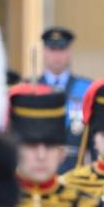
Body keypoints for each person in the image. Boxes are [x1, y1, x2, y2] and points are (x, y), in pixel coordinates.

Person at [37, 25, 92, 173]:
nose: (57, 55)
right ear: (44, 52)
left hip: (77, 168)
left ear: (69, 52)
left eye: (61, 49)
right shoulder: (31, 89)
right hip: (40, 166)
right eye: (52, 49)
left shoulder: (87, 88)